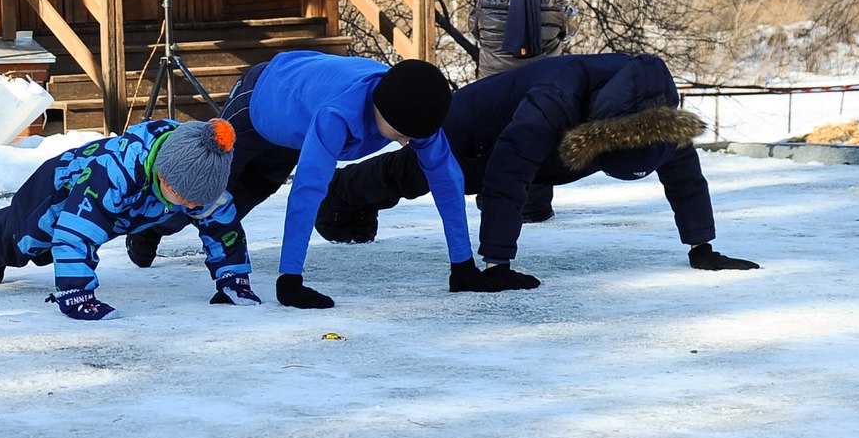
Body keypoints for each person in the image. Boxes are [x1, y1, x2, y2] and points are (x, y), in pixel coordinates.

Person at [129, 51, 527, 309]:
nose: (409, 142)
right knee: (203, 192)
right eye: (402, 133)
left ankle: (169, 227)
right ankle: (148, 227)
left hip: (294, 124)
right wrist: (290, 280)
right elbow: (308, 192)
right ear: (381, 111)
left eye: (414, 136)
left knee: (243, 200)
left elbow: (447, 183)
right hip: (260, 101)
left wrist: (464, 267)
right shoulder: (339, 115)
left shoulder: (414, 108)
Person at [315, 52, 759, 278]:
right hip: (476, 125)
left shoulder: (659, 122)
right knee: (416, 174)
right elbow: (510, 169)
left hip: (543, 143)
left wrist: (702, 247)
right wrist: (498, 263)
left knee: (521, 173)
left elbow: (685, 177)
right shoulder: (555, 100)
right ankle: (338, 195)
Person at [0, 117, 253, 320]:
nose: (189, 203)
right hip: (57, 193)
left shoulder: (199, 177)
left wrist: (232, 277)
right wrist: (77, 292)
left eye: (195, 199)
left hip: (126, 209)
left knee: (182, 215)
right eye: (182, 194)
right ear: (162, 171)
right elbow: (77, 233)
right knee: (18, 244)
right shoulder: (112, 174)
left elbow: (222, 224)